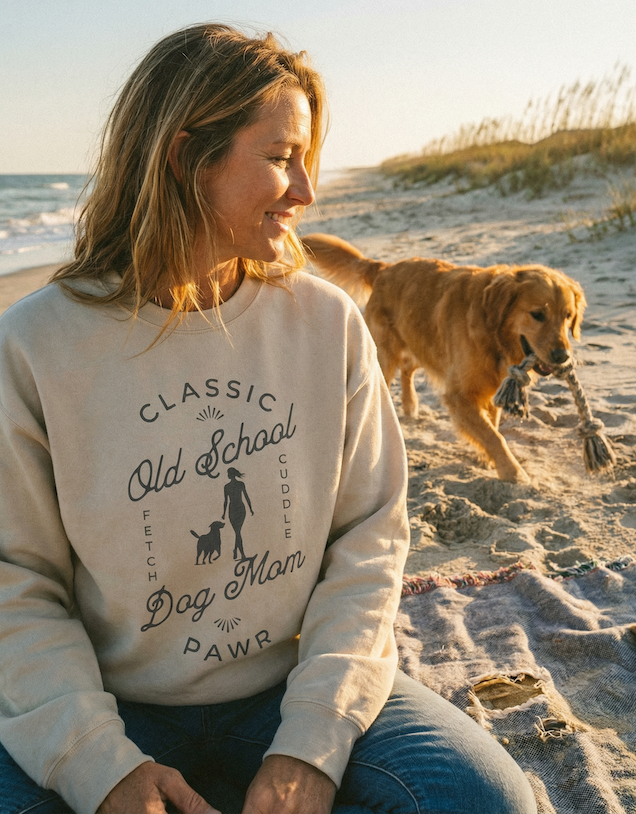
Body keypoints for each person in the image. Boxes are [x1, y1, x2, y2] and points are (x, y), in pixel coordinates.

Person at [0, 23, 537, 814]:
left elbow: (368, 541)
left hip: (288, 686)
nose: (306, 192)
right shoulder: (34, 343)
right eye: (283, 157)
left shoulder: (325, 323)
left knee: (484, 799)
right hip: (108, 700)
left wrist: (310, 745)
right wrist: (100, 767)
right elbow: (17, 584)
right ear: (186, 158)